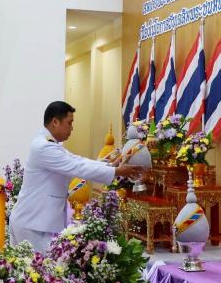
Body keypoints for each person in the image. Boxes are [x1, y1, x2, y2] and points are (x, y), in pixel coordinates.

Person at [9, 101, 142, 252]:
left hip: (36, 222)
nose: (72, 128)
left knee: (42, 271)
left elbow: (78, 161)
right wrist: (117, 172)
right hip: (32, 224)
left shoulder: (51, 145)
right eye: (69, 123)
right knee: (41, 272)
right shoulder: (44, 147)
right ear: (55, 122)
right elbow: (77, 167)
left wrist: (111, 165)